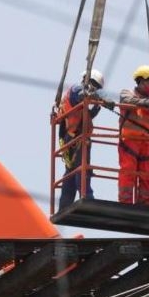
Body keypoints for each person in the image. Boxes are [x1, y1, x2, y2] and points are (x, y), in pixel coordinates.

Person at [57, 68, 105, 210]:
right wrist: (98, 98)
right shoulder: (77, 89)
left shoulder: (81, 98)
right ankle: (87, 196)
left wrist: (96, 108)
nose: (95, 89)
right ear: (87, 80)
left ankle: (65, 205)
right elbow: (80, 95)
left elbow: (82, 116)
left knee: (71, 172)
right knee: (82, 168)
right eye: (94, 85)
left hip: (72, 137)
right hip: (77, 138)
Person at [118, 65, 149, 205]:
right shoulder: (127, 93)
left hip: (147, 144)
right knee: (128, 171)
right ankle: (125, 202)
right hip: (130, 142)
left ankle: (145, 204)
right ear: (141, 81)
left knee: (148, 175)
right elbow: (127, 101)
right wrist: (147, 103)